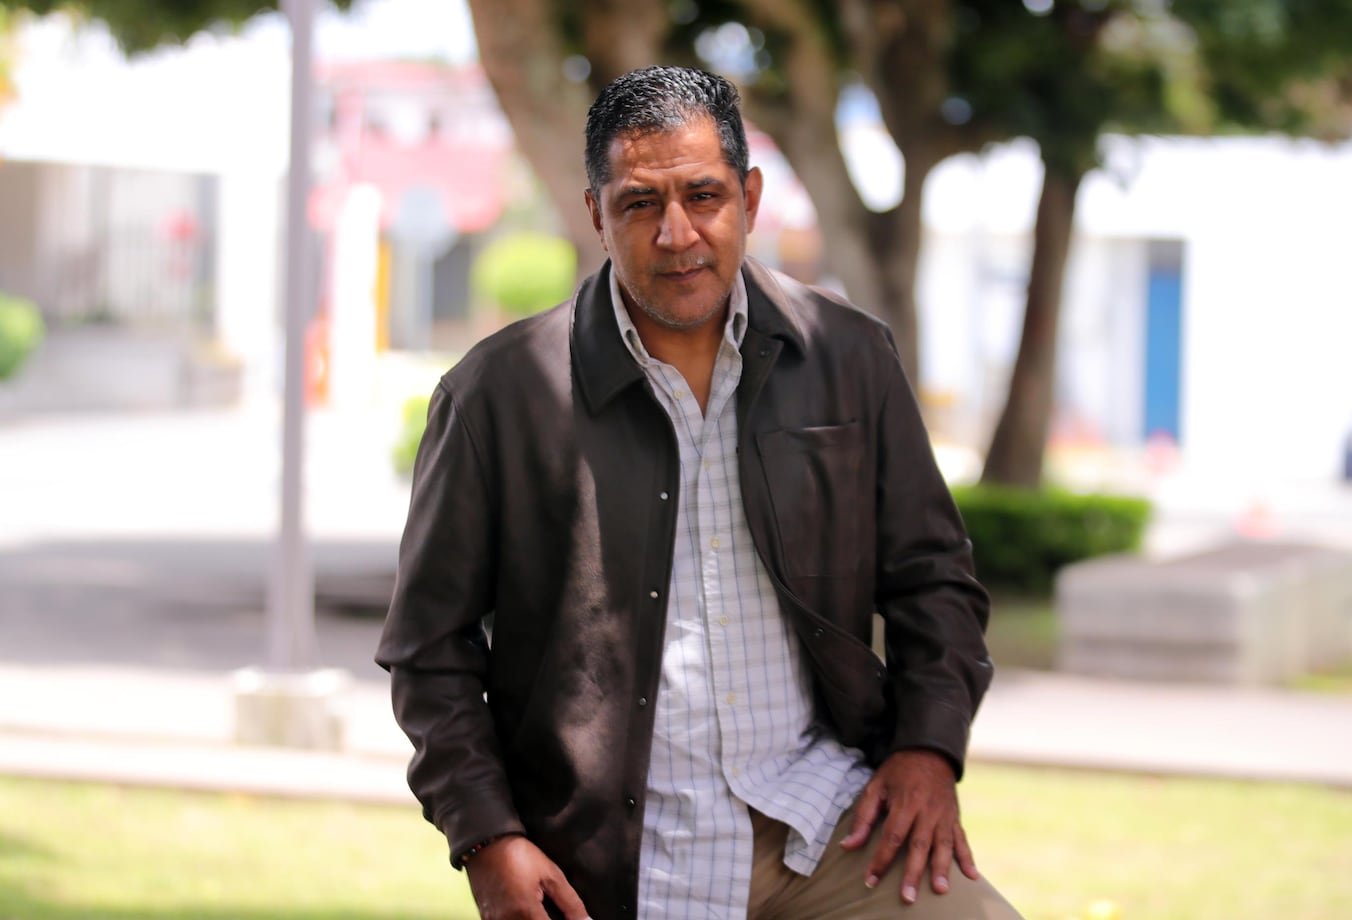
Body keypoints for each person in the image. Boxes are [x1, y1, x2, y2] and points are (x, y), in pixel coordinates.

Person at [377, 65, 1019, 920]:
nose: (677, 233)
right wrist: (488, 837)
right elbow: (429, 651)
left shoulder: (848, 357)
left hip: (826, 821)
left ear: (749, 198)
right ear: (597, 213)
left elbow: (933, 579)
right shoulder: (496, 396)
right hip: (612, 859)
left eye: (704, 196)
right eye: (641, 203)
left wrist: (927, 750)